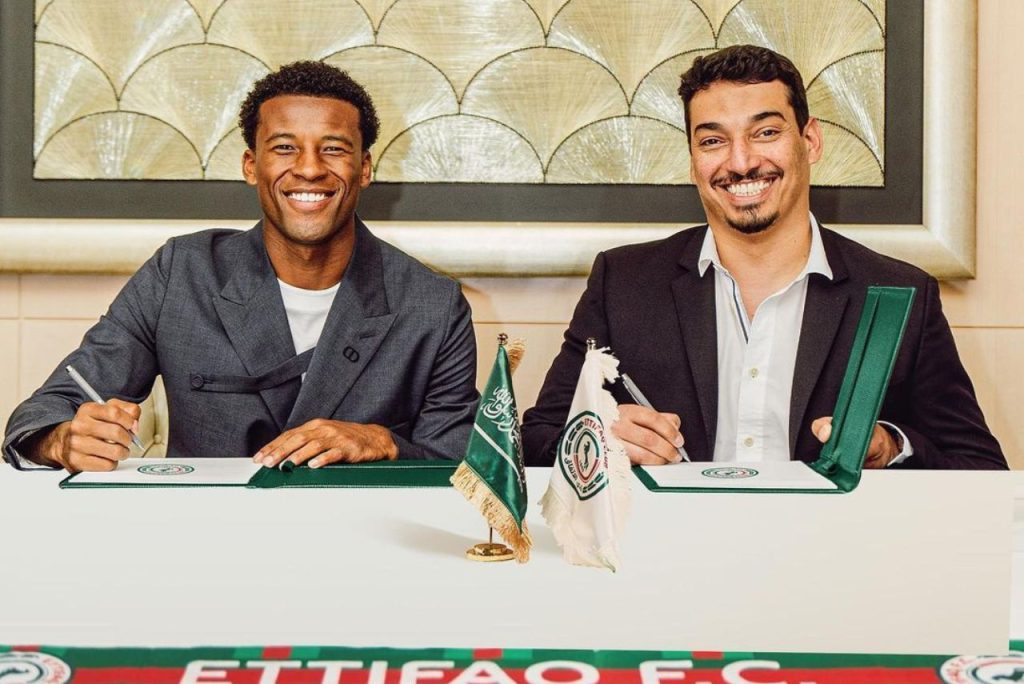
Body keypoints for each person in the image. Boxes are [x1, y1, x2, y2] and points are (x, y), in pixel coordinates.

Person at [522, 45, 1006, 470]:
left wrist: (893, 446)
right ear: (692, 159)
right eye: (713, 141)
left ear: (810, 141)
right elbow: (535, 440)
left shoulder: (901, 292)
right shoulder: (622, 282)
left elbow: (978, 468)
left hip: (829, 545)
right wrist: (595, 435)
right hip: (672, 544)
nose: (741, 162)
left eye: (766, 132)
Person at [3, 61, 478, 472]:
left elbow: (467, 464)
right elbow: (44, 411)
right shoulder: (181, 273)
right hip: (204, 535)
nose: (310, 168)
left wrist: (386, 443)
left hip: (364, 539)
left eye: (333, 148)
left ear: (365, 168)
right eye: (285, 147)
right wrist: (61, 440)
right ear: (251, 165)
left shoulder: (433, 305)